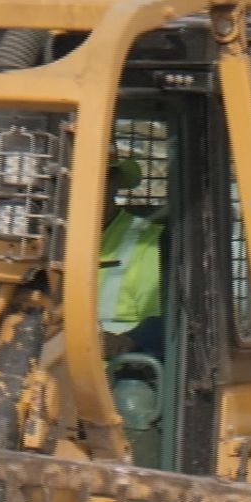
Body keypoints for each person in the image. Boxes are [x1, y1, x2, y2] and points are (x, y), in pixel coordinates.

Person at [97, 154, 166, 359]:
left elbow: (163, 327)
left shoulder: (148, 241)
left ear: (114, 183)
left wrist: (123, 343)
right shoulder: (44, 242)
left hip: (119, 376)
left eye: (102, 177)